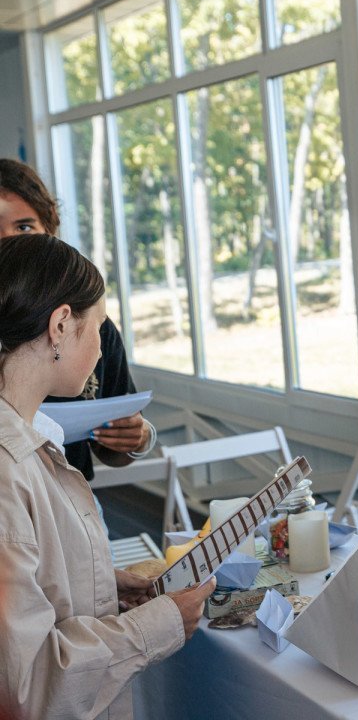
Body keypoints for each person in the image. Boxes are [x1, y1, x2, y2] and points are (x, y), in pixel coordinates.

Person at [0, 234, 214, 719]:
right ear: (60, 325)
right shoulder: (9, 467)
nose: (102, 348)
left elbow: (31, 584)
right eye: (98, 325)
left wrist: (97, 583)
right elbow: (27, 683)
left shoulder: (27, 442)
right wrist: (161, 622)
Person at [0, 158, 154, 483]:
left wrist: (134, 438)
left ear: (50, 232)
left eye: (24, 227)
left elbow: (114, 441)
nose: (9, 240)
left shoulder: (92, 326)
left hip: (72, 500)